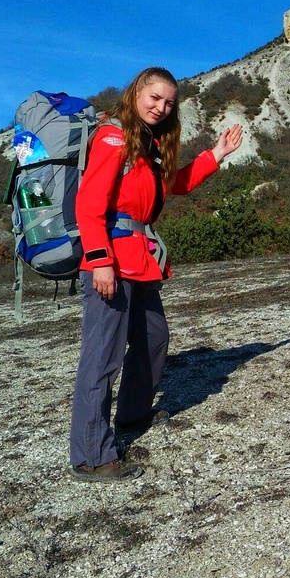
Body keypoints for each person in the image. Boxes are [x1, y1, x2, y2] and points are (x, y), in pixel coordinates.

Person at [69, 66, 242, 482]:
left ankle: (132, 414)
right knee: (102, 358)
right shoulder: (113, 136)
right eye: (155, 98)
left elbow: (172, 185)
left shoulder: (146, 144)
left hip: (139, 261)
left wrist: (214, 155)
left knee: (154, 337)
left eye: (168, 103)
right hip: (110, 260)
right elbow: (89, 205)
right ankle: (92, 456)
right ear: (135, 93)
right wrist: (100, 261)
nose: (161, 108)